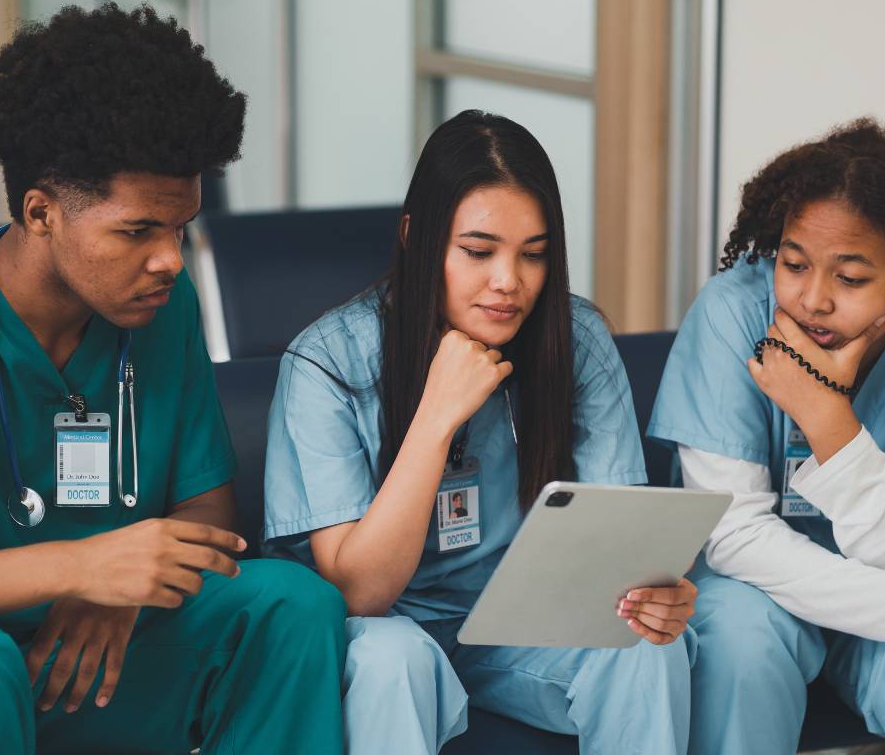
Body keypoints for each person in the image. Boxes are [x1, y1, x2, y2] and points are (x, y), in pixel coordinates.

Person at [0, 3, 346, 755]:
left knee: (290, 603)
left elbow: (206, 509)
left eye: (179, 228)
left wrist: (116, 597)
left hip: (101, 658)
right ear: (41, 212)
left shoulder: (158, 304)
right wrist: (77, 567)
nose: (171, 261)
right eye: (137, 230)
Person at [264, 109, 697, 755]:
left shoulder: (575, 341)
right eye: (478, 251)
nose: (508, 282)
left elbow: (617, 544)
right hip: (385, 628)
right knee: (395, 662)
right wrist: (437, 417)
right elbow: (358, 593)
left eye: (534, 255)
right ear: (416, 236)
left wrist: (653, 591)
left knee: (647, 644)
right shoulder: (326, 362)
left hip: (517, 623)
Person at [647, 118, 885, 755]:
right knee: (739, 640)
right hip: (761, 598)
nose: (812, 300)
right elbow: (735, 537)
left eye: (850, 279)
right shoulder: (730, 313)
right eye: (793, 264)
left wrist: (829, 422)